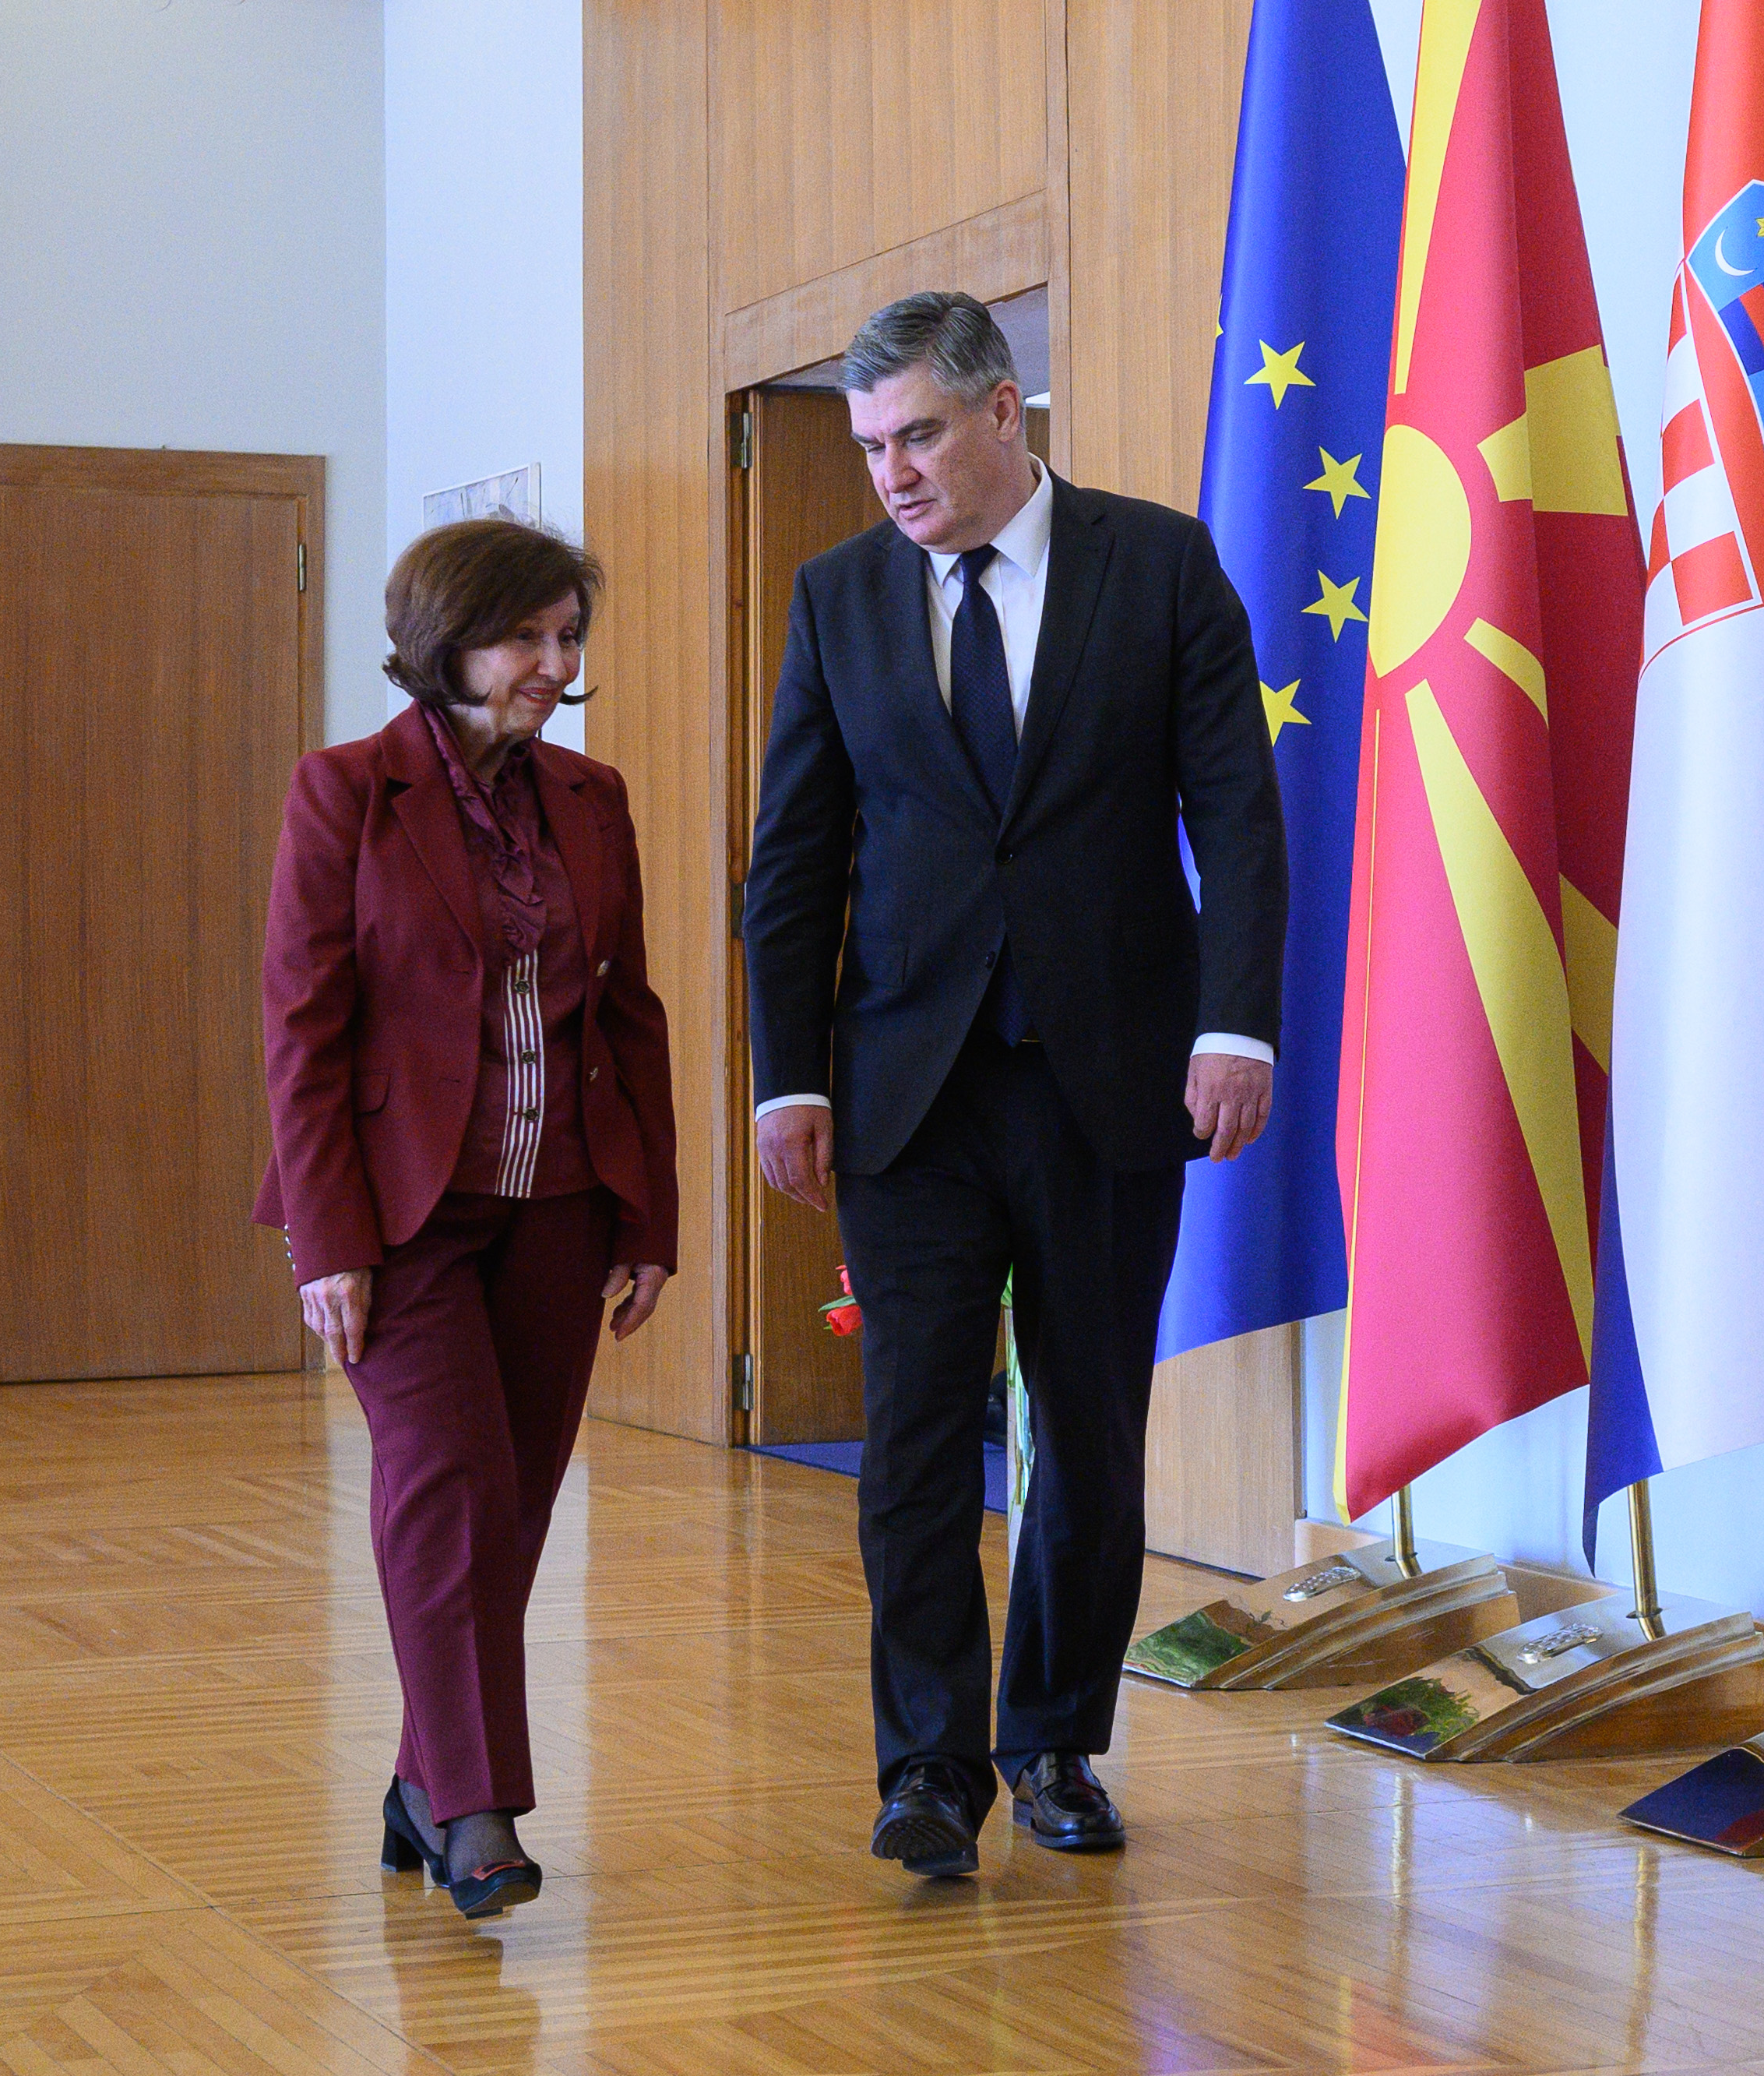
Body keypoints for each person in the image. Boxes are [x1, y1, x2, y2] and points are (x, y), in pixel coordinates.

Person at [743, 291, 1285, 1878]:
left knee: (1089, 1427)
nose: (891, 475)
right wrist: (787, 1076)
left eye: (915, 434)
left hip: (1107, 1079)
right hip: (906, 1090)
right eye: (867, 447)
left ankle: (1051, 1738)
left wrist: (1233, 1027)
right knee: (912, 1437)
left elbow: (1236, 816)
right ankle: (925, 1765)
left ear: (1002, 414)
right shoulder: (839, 594)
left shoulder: (1157, 562)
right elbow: (793, 864)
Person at [255, 520, 679, 1919]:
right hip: (403, 1217)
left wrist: (647, 1212)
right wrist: (328, 1242)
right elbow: (303, 1033)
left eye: (569, 640)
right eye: (526, 640)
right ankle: (476, 1813)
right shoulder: (343, 795)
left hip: (560, 1204)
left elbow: (629, 1009)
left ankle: (416, 1776)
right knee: (446, 1492)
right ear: (446, 643)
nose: (553, 668)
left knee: (512, 1513)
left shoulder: (591, 795)